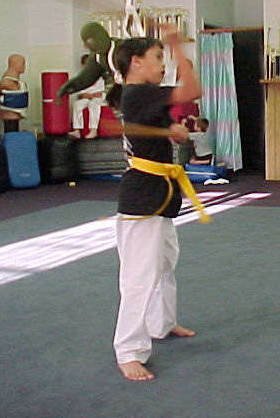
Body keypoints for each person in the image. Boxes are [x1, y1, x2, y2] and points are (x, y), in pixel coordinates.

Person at [105, 25, 202, 382]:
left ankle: (161, 323)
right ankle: (128, 350)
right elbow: (192, 90)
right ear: (136, 62)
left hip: (159, 193)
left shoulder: (141, 97)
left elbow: (158, 127)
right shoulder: (137, 93)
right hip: (142, 197)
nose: (163, 64)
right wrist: (177, 46)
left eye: (164, 57)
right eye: (158, 57)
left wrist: (171, 131)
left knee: (163, 265)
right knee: (139, 276)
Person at [68, 54, 106, 139]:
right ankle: (77, 131)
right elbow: (81, 94)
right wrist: (90, 95)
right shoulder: (81, 78)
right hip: (87, 98)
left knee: (93, 104)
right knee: (77, 104)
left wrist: (92, 95)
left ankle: (93, 130)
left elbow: (100, 93)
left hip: (97, 99)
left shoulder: (99, 76)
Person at [0, 54, 27, 133]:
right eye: (23, 63)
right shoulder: (7, 83)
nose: (24, 66)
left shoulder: (18, 83)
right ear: (15, 64)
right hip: (10, 117)